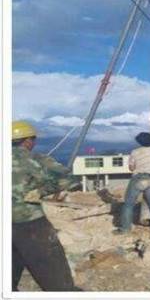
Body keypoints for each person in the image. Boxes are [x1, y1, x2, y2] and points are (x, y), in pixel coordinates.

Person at [11, 119, 80, 291]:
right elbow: (68, 180)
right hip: (30, 225)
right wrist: (41, 191)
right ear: (28, 141)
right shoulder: (35, 159)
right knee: (57, 282)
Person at [115, 132, 150, 233]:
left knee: (129, 204)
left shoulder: (135, 152)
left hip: (139, 178)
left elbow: (131, 168)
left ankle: (125, 229)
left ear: (140, 142)